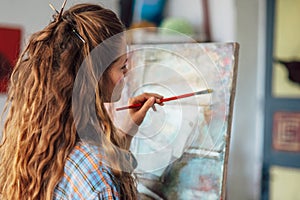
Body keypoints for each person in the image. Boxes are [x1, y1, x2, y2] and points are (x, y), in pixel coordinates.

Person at [0, 3, 163, 200]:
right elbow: (95, 178)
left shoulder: (36, 143)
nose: (127, 73)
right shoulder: (98, 175)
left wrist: (124, 136)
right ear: (96, 75)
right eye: (123, 65)